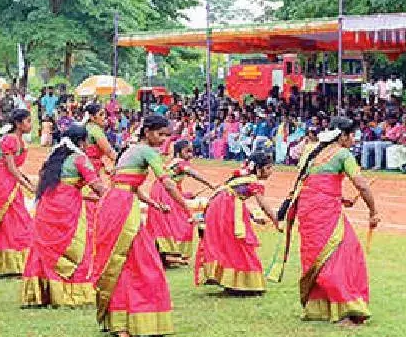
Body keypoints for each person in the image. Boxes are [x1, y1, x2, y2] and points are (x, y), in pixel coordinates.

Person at [92, 114, 190, 337]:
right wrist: (184, 206)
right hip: (122, 208)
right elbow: (166, 181)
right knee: (135, 262)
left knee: (126, 261)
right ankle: (124, 323)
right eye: (160, 134)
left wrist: (154, 203)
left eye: (167, 135)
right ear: (147, 132)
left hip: (115, 203)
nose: (163, 139)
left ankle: (118, 321)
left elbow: (129, 184)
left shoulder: (131, 149)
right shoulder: (148, 152)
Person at [278, 116, 379, 325]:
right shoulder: (343, 154)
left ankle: (321, 309)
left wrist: (339, 198)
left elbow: (313, 184)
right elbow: (361, 184)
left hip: (308, 211)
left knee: (319, 256)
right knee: (342, 255)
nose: (354, 140)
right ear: (342, 136)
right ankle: (347, 309)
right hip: (324, 213)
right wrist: (373, 211)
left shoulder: (310, 151)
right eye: (352, 135)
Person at [20, 124, 109, 308]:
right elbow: (97, 186)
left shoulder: (53, 157)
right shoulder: (80, 159)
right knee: (75, 247)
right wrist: (115, 199)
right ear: (83, 142)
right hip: (68, 209)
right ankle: (73, 293)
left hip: (47, 207)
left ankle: (41, 295)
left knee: (45, 249)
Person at [194, 153, 280, 295]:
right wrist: (276, 221)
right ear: (258, 169)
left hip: (219, 206)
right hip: (226, 208)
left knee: (228, 244)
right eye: (269, 168)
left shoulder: (242, 176)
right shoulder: (253, 181)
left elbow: (235, 196)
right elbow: (263, 204)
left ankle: (231, 281)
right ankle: (243, 283)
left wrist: (252, 217)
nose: (271, 171)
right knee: (238, 244)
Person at [0, 110, 36, 277]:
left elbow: (15, 169)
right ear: (18, 124)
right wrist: (27, 186)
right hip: (0, 181)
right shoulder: (11, 139)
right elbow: (10, 168)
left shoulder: (19, 140)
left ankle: (14, 263)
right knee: (9, 217)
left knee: (15, 218)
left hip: (9, 180)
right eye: (27, 121)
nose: (30, 124)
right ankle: (4, 264)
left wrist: (25, 180)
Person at [147, 140, 215, 267]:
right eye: (187, 151)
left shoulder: (171, 163)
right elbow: (191, 173)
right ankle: (171, 253)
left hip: (162, 191)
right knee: (183, 221)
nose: (190, 154)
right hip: (165, 193)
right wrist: (210, 184)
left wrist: (187, 195)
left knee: (167, 223)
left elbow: (175, 186)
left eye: (191, 151)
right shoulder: (181, 163)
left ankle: (167, 254)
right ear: (179, 152)